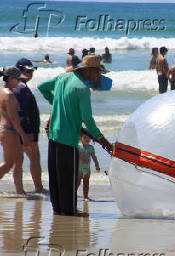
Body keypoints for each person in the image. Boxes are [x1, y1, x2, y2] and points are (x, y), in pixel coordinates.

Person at [37, 55, 112, 217]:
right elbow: (88, 119)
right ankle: (70, 210)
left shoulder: (63, 77)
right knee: (68, 177)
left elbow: (41, 86)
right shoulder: (82, 89)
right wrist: (102, 140)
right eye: (97, 72)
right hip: (68, 138)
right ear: (90, 71)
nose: (98, 76)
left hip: (53, 135)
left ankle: (57, 208)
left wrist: (56, 103)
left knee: (56, 175)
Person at [13, 59, 48, 194]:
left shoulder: (18, 86)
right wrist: (27, 133)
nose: (30, 73)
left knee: (18, 161)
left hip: (21, 131)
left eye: (32, 71)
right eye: (27, 71)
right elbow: (21, 112)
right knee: (32, 158)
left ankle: (20, 190)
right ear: (19, 71)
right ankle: (38, 188)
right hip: (25, 132)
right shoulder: (21, 88)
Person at [0, 67, 31, 194]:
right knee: (8, 164)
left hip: (4, 129)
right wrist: (23, 135)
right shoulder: (10, 95)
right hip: (10, 130)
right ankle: (20, 190)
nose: (19, 82)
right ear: (11, 79)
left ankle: (20, 190)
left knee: (19, 159)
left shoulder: (2, 91)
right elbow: (14, 118)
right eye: (18, 79)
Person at [77, 130, 100, 201]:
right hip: (79, 169)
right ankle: (73, 195)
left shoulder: (91, 148)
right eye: (85, 137)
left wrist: (97, 165)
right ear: (80, 138)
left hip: (87, 169)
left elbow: (94, 157)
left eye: (89, 138)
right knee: (77, 183)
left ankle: (85, 197)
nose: (87, 139)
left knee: (86, 183)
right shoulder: (78, 147)